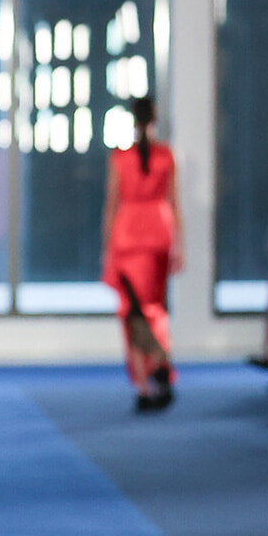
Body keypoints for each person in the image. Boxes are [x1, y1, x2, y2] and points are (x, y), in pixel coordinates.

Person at [102, 95, 183, 411]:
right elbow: (174, 204)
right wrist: (178, 245)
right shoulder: (166, 156)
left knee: (132, 312)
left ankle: (143, 383)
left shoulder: (120, 158)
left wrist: (107, 249)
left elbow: (111, 204)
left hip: (127, 239)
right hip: (158, 236)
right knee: (153, 310)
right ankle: (159, 365)